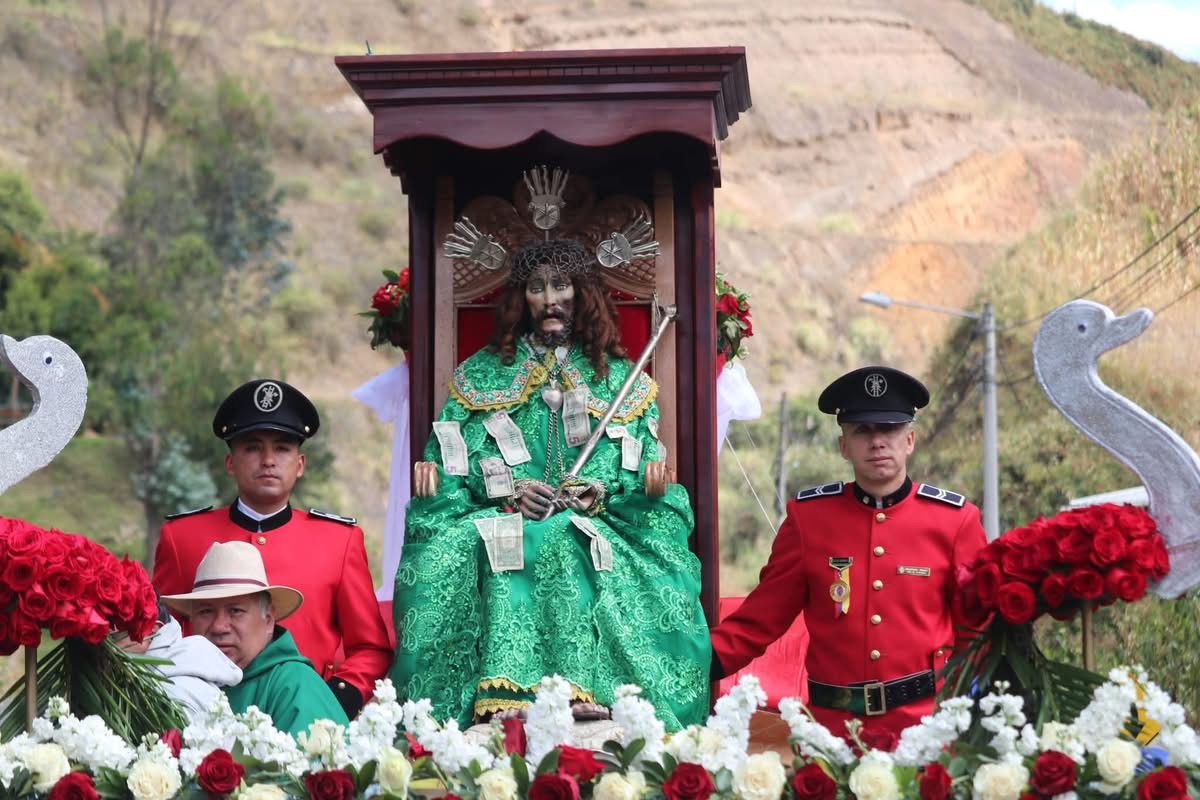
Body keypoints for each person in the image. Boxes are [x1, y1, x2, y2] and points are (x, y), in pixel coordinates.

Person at [391, 238, 710, 731]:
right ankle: (505, 694)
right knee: (510, 536)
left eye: (560, 284)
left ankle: (583, 690)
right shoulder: (479, 376)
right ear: (522, 299)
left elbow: (643, 463)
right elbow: (453, 457)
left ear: (582, 293)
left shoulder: (623, 381)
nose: (549, 299)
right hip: (499, 516)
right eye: (536, 288)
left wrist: (597, 490)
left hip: (602, 523)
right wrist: (510, 491)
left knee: (565, 535)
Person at [710, 366, 987, 743]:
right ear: (844, 446)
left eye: (889, 429)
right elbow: (760, 621)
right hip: (832, 733)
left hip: (926, 731)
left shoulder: (954, 521)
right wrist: (688, 661)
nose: (877, 442)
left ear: (909, 440)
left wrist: (979, 717)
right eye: (862, 431)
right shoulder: (809, 519)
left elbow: (979, 634)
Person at [152, 379, 392, 719]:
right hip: (205, 717)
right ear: (230, 462)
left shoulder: (339, 541)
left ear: (300, 464)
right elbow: (160, 636)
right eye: (252, 447)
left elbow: (370, 647)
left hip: (307, 716)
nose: (267, 460)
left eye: (282, 448)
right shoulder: (183, 537)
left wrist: (331, 702)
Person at [162, 541, 350, 737]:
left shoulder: (295, 685)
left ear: (268, 620)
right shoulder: (172, 681)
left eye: (236, 611)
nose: (219, 626)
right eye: (206, 611)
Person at [111, 593, 244, 722]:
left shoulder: (175, 692)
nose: (105, 643)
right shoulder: (166, 676)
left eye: (113, 633)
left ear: (150, 629)